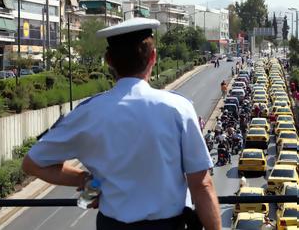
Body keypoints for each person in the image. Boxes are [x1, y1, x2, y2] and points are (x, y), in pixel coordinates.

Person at [21, 18, 221, 230]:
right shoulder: (178, 108)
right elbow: (202, 184)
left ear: (109, 61)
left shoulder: (87, 112)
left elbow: (32, 164)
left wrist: (86, 179)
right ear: (153, 57)